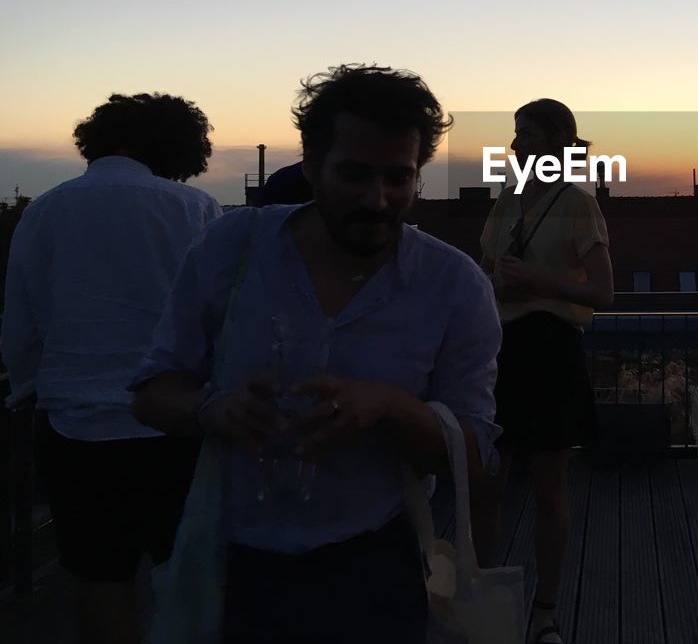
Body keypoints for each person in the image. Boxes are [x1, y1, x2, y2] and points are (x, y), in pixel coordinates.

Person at [129, 64, 502, 644]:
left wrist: (391, 408)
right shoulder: (232, 249)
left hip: (377, 570)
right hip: (231, 567)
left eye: (398, 178)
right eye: (354, 174)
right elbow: (151, 392)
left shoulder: (454, 286)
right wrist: (210, 410)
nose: (377, 199)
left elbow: (476, 458)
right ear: (309, 163)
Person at [1, 92, 221, 644]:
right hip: (177, 422)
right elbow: (219, 315)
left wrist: (31, 387)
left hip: (76, 428)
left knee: (100, 578)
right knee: (186, 572)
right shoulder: (193, 208)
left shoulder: (45, 210)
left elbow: (21, 319)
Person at [474, 99, 613, 644]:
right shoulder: (506, 201)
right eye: (515, 134)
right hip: (501, 348)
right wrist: (498, 286)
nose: (515, 145)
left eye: (526, 134)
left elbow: (602, 292)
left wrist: (536, 283)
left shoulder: (578, 205)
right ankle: (487, 604)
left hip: (551, 350)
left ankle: (545, 613)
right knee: (487, 484)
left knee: (549, 489)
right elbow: (481, 277)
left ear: (557, 142)